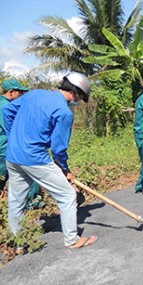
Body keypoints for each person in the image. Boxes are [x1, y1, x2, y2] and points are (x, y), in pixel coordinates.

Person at [3, 72, 98, 251]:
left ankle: (17, 243)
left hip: (13, 156)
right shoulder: (64, 112)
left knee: (16, 200)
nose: (77, 101)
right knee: (68, 196)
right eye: (80, 97)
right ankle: (72, 240)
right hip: (35, 159)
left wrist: (13, 136)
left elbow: (7, 111)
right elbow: (58, 149)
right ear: (76, 93)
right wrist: (65, 169)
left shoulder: (34, 94)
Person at [0, 79, 43, 209]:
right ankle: (31, 202)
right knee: (32, 170)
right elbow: (11, 129)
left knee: (4, 175)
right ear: (11, 92)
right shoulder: (5, 106)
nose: (21, 95)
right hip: (5, 146)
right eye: (20, 92)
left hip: (5, 146)